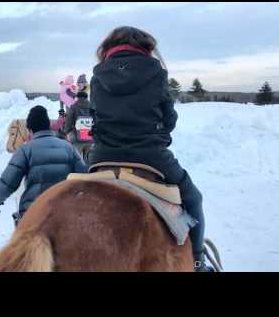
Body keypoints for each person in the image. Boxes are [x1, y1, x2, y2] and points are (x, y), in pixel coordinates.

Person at [88, 26, 214, 272]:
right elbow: (169, 120)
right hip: (151, 156)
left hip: (102, 156)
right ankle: (198, 261)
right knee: (193, 198)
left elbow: (96, 118)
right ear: (144, 46)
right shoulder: (156, 72)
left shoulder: (97, 76)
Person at [0, 105, 87, 226]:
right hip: (65, 211)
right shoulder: (69, 147)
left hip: (35, 212)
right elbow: (83, 177)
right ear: (48, 127)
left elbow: (9, 181)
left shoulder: (25, 150)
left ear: (30, 130)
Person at [64, 91, 93, 163]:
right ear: (86, 97)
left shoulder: (74, 106)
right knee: (88, 160)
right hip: (90, 138)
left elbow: (68, 121)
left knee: (77, 161)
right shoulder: (92, 106)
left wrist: (67, 132)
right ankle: (89, 173)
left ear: (77, 97)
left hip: (77, 138)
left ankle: (79, 173)